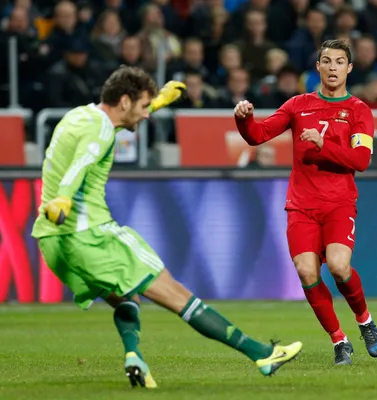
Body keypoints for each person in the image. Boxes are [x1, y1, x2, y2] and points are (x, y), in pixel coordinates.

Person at [31, 66, 303, 388]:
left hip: (52, 240)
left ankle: (134, 357)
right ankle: (261, 353)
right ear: (124, 101)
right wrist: (63, 199)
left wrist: (158, 101)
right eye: (144, 107)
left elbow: (92, 139)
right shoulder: (101, 131)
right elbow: (81, 164)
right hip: (90, 236)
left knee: (125, 297)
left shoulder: (80, 117)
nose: (147, 116)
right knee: (178, 296)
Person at [234, 39, 377, 366]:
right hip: (301, 205)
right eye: (327, 61)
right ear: (317, 67)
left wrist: (322, 144)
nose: (332, 68)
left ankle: (364, 321)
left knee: (341, 267)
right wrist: (243, 119)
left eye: (339, 62)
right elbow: (257, 135)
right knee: (306, 271)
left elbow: (361, 160)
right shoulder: (297, 105)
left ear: (349, 68)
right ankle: (339, 341)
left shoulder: (359, 110)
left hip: (339, 204)